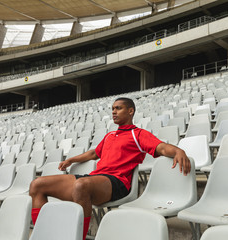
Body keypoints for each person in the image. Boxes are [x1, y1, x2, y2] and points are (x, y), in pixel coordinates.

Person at [29, 97, 191, 240]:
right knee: (37, 184)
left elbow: (161, 148)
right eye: (112, 109)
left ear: (130, 111)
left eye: (118, 108)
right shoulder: (110, 136)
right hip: (94, 178)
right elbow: (93, 153)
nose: (114, 112)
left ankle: (77, 236)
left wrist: (178, 150)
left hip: (117, 182)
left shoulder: (138, 134)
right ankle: (43, 234)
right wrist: (71, 159)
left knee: (81, 185)